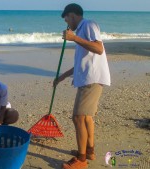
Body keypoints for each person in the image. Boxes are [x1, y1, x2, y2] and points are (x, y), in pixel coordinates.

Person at [56, 3, 111, 169]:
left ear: (72, 15)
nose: (67, 24)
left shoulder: (88, 24)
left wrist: (74, 38)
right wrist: (62, 77)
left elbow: (99, 48)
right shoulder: (81, 31)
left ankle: (81, 160)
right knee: (86, 117)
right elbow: (82, 63)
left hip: (92, 80)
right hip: (87, 79)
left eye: (67, 19)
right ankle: (89, 151)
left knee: (78, 117)